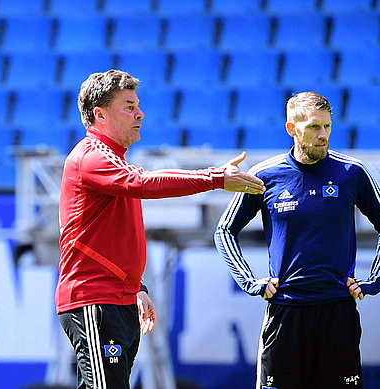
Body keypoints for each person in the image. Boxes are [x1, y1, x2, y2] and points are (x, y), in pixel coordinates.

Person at [56, 69, 265, 389]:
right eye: (128, 106)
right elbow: (142, 183)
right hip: (95, 300)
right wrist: (215, 178)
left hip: (117, 299)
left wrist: (135, 287)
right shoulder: (91, 156)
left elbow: (111, 236)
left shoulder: (111, 159)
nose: (140, 113)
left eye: (137, 105)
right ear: (100, 114)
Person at [214, 92, 380, 389]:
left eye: (327, 126)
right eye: (314, 127)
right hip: (286, 313)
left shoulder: (351, 172)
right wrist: (250, 281)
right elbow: (224, 231)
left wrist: (373, 280)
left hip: (337, 312)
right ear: (292, 129)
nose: (323, 135)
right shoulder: (265, 175)